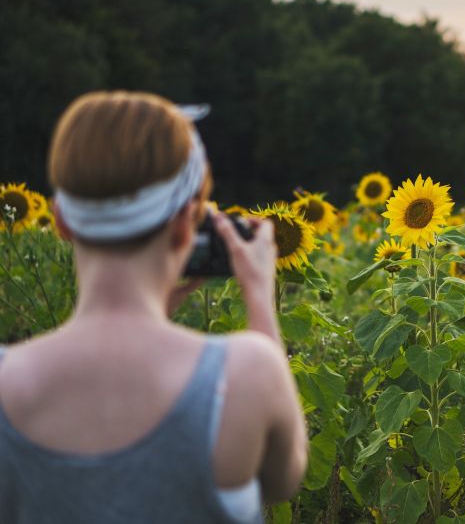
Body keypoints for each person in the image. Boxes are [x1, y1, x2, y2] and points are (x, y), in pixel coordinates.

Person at [0, 91, 307, 523]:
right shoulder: (245, 373)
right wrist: (259, 295)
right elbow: (281, 482)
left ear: (62, 221)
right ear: (187, 224)